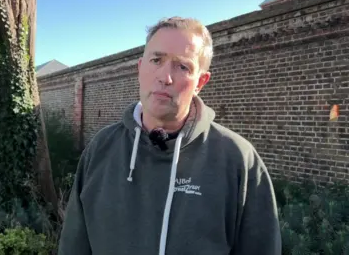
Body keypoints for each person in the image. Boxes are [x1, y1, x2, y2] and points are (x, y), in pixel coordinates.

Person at [58, 16, 281, 255]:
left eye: (182, 66)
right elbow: (73, 245)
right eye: (156, 60)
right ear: (140, 68)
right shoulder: (101, 149)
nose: (165, 77)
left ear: (201, 82)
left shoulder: (238, 159)